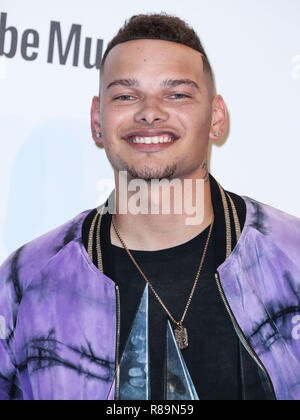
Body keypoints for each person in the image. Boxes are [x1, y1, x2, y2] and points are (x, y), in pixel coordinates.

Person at [0, 13, 299, 401]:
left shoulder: (291, 258)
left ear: (216, 117)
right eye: (126, 95)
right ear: (97, 120)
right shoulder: (25, 282)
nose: (150, 111)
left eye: (177, 94)